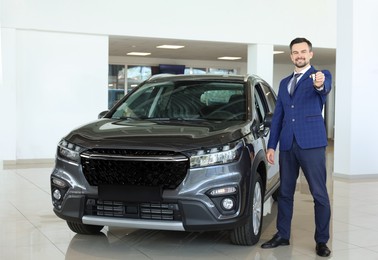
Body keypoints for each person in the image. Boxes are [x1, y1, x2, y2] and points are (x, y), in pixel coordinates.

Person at [261, 37, 332, 257]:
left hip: (312, 144)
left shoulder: (321, 76)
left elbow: (323, 89)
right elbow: (279, 117)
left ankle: (321, 241)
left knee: (319, 194)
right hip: (288, 145)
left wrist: (319, 83)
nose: (299, 55)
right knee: (285, 193)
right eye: (295, 52)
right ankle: (283, 235)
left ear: (310, 54)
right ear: (291, 55)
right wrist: (272, 146)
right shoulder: (284, 83)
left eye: (303, 51)